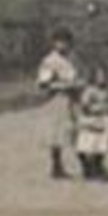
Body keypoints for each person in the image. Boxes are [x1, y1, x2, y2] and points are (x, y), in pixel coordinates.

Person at [35, 28, 81, 180]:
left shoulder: (71, 59)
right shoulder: (50, 61)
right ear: (54, 43)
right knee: (57, 133)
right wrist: (65, 86)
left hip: (72, 99)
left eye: (66, 42)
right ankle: (57, 165)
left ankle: (88, 163)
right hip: (57, 100)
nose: (64, 45)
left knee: (76, 130)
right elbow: (43, 84)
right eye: (60, 42)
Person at [73, 64, 108, 181]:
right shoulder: (90, 90)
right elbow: (84, 106)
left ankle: (98, 165)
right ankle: (87, 167)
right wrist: (96, 108)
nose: (101, 79)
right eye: (99, 76)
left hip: (104, 120)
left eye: (104, 76)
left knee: (102, 146)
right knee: (85, 145)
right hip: (91, 120)